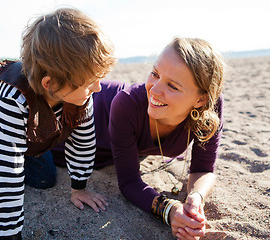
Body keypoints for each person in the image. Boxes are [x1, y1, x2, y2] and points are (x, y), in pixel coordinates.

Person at [0, 8, 116, 239]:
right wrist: (9, 234)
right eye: (90, 83)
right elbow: (7, 175)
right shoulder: (11, 101)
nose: (98, 88)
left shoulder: (81, 95)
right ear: (51, 83)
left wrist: (79, 187)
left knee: (45, 180)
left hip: (29, 128)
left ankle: (18, 144)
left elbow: (83, 141)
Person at [54, 37, 225, 239]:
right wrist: (169, 210)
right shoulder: (126, 104)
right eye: (155, 74)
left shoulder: (210, 109)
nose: (154, 89)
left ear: (201, 99)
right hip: (68, 132)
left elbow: (204, 169)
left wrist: (196, 198)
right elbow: (128, 182)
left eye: (172, 86)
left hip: (118, 150)